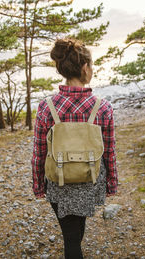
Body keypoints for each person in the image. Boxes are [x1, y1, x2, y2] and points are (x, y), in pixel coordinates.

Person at [31, 38, 118, 259]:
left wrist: (38, 184)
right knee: (76, 231)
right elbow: (109, 152)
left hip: (58, 182)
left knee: (70, 234)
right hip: (90, 179)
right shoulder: (103, 108)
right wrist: (112, 182)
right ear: (85, 67)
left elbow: (39, 151)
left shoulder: (46, 107)